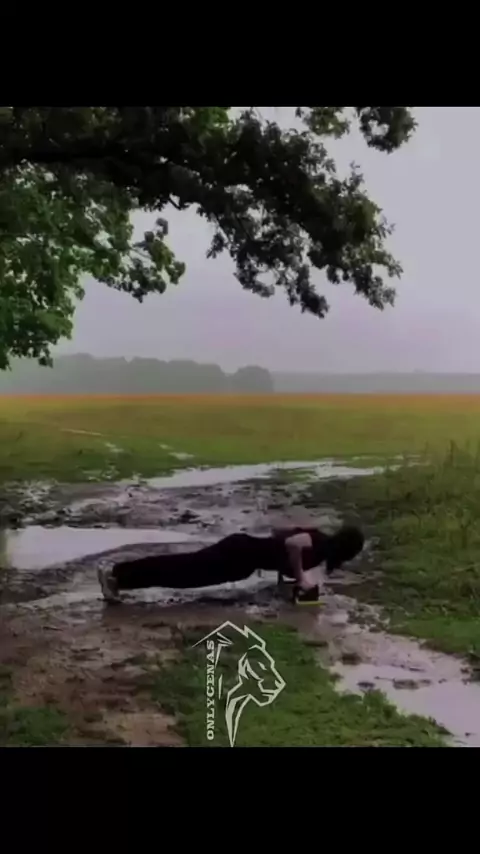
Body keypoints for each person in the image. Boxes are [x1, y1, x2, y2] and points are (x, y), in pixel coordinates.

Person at [97, 524, 365, 605]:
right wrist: (300, 576)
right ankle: (116, 575)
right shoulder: (319, 542)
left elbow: (278, 536)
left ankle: (120, 580)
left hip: (241, 559)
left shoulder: (320, 546)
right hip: (239, 554)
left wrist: (293, 582)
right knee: (181, 569)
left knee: (181, 575)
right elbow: (292, 544)